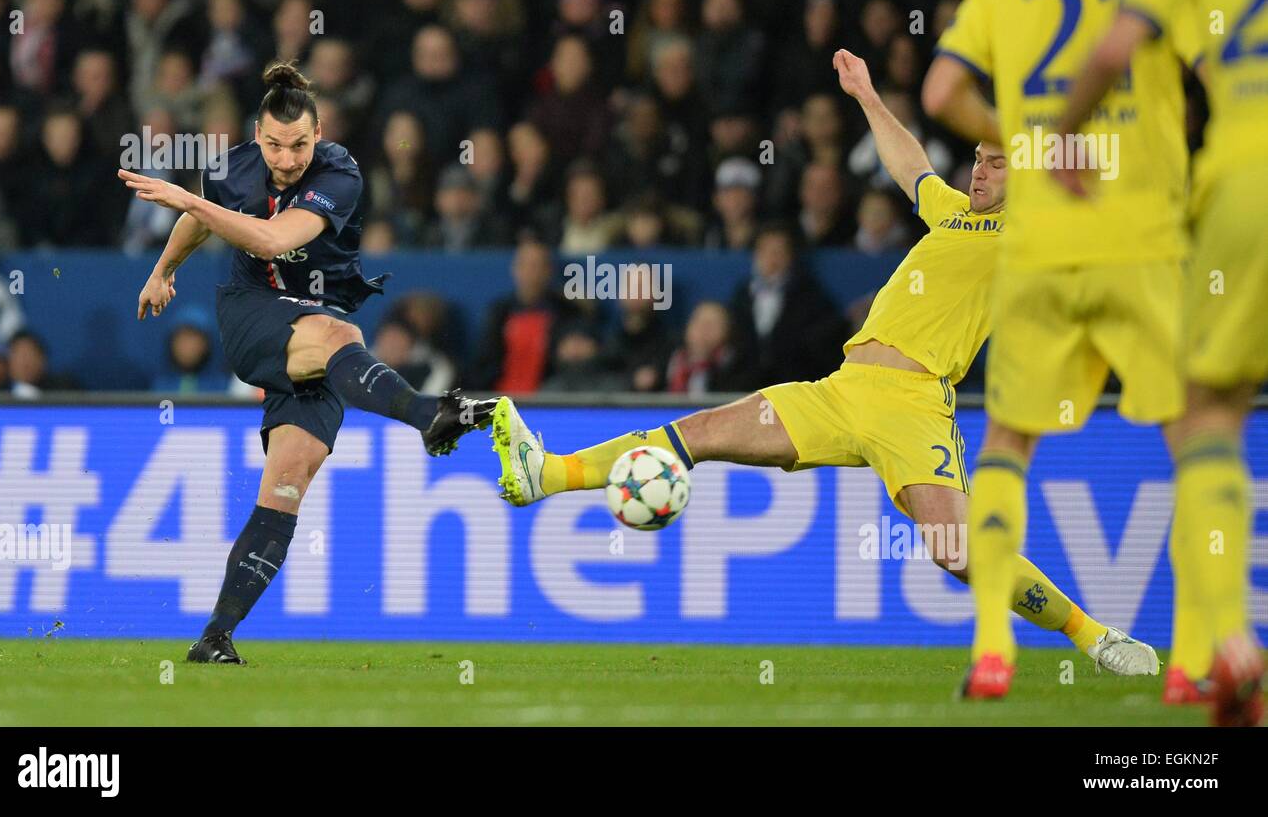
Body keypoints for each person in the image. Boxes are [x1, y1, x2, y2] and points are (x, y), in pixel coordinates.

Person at [490, 48, 1156, 677]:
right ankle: (545, 472)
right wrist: (867, 95)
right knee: (697, 432)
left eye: (999, 162)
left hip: (913, 406)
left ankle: (1094, 637)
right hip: (839, 391)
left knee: (956, 552)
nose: (980, 169)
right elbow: (910, 166)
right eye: (979, 158)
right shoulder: (954, 215)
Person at [921, 0, 1192, 699]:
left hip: (1037, 243)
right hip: (1141, 234)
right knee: (1196, 437)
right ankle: (1203, 653)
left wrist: (1031, 143)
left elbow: (940, 96)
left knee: (1006, 444)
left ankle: (994, 645)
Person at [120, 61, 498, 665]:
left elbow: (271, 238)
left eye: (298, 144)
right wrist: (163, 269)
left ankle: (214, 636)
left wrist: (188, 199)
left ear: (318, 134)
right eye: (273, 143)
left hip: (313, 337)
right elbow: (199, 220)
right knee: (336, 330)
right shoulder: (235, 167)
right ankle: (430, 414)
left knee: (288, 482)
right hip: (253, 315)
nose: (287, 158)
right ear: (257, 133)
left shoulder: (340, 174)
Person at [1053, 0, 1268, 726]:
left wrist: (1064, 132)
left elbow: (1113, 49)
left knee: (1208, 414)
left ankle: (1232, 643)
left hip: (1244, 180)